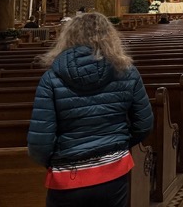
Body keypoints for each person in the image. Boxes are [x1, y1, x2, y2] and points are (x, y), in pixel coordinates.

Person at [27, 13, 154, 207]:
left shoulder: (51, 79)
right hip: (114, 170)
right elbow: (144, 123)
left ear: (68, 37)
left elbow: (39, 141)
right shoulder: (126, 71)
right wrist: (119, 144)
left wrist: (56, 161)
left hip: (68, 175)